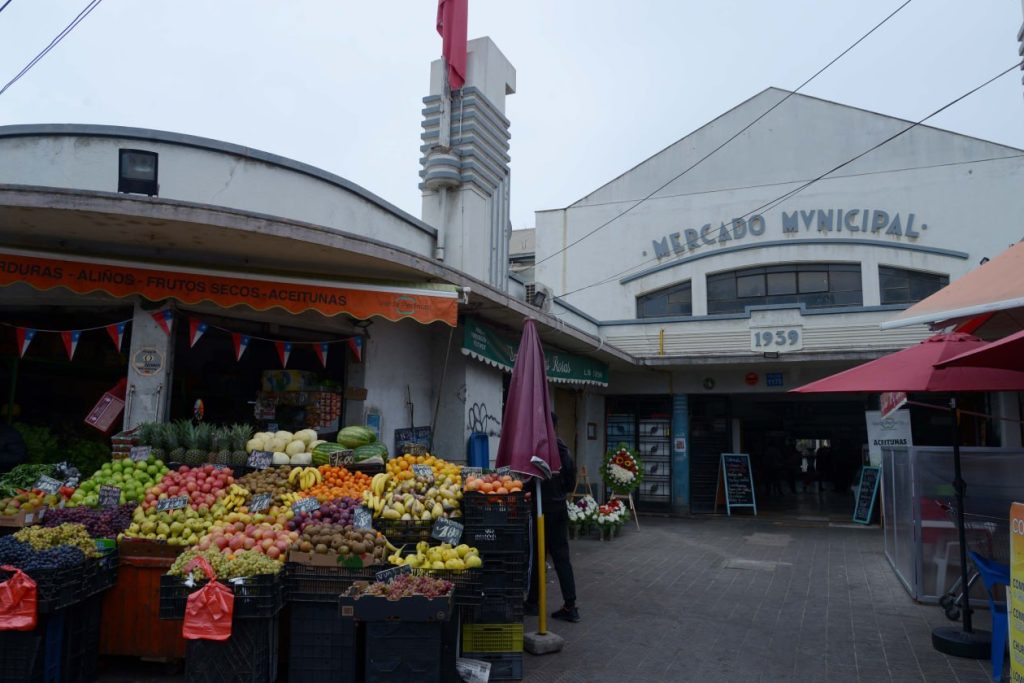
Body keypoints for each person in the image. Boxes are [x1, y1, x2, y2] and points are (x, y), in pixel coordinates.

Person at [525, 412, 579, 623]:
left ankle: (532, 602)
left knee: (537, 557)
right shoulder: (564, 449)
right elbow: (570, 481)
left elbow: (528, 482)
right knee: (562, 558)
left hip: (541, 510)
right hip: (559, 509)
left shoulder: (538, 452)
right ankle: (570, 605)